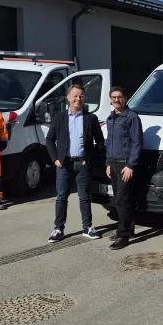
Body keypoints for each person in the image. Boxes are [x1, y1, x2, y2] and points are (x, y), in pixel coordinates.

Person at [46, 83, 105, 242]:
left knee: (85, 197)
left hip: (83, 165)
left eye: (81, 96)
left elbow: (99, 141)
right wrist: (55, 160)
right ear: (68, 98)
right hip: (64, 165)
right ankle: (58, 229)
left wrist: (91, 159)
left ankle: (87, 227)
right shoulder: (60, 118)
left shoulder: (90, 118)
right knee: (61, 197)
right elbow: (49, 140)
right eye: (75, 96)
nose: (78, 98)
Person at [105, 86, 143, 250]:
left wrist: (130, 165)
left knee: (122, 200)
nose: (116, 100)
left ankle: (123, 236)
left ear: (126, 98)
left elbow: (137, 143)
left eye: (119, 97)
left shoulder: (132, 117)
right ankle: (129, 228)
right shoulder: (111, 118)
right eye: (113, 97)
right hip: (113, 164)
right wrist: (108, 163)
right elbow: (108, 142)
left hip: (125, 165)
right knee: (120, 200)